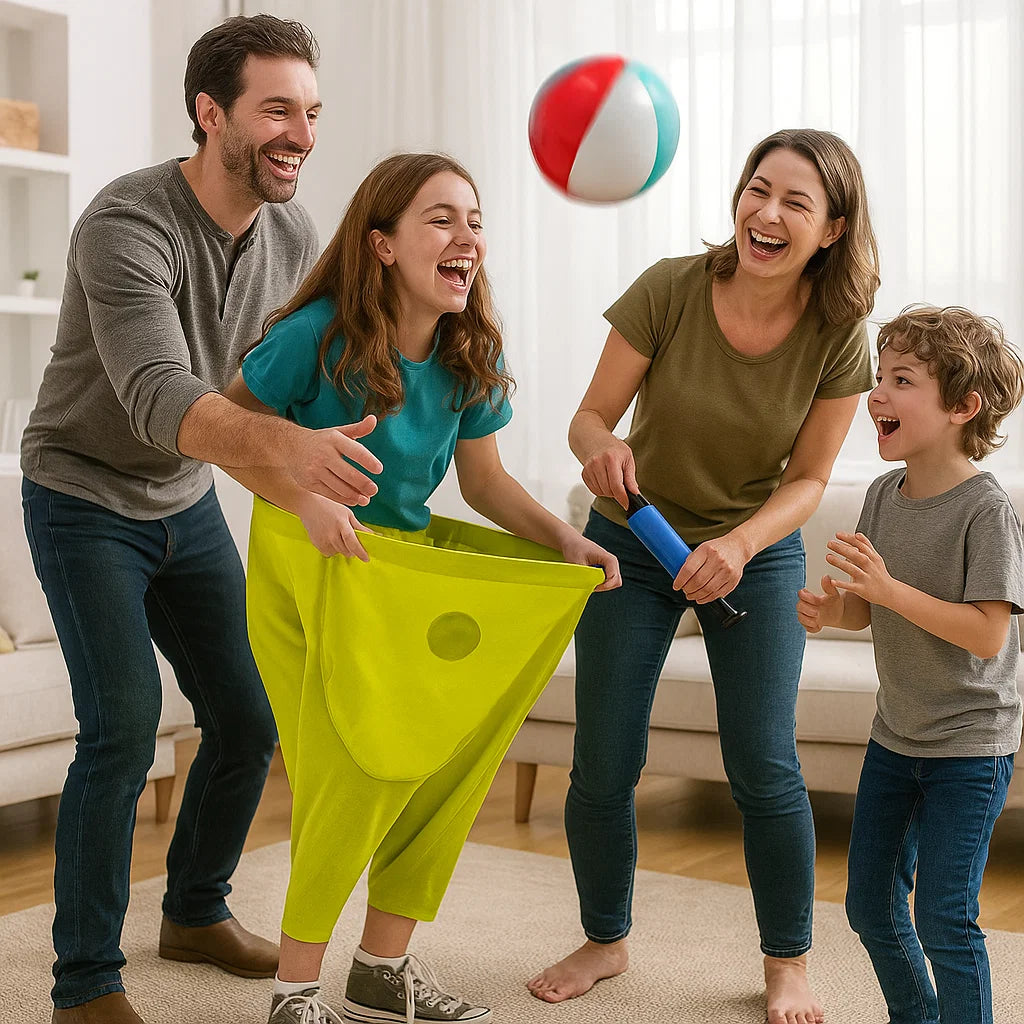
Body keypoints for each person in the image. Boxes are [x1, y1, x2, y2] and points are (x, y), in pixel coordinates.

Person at [19, 15, 382, 1024]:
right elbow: (156, 392)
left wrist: (305, 482)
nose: (300, 132)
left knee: (248, 715)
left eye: (310, 112)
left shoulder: (291, 237)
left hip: (185, 499)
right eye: (276, 109)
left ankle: (193, 909)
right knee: (124, 727)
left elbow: (265, 406)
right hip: (83, 495)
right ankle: (83, 982)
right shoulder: (124, 222)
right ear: (209, 112)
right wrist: (291, 460)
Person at [219, 151, 621, 1024]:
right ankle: (294, 991)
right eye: (442, 219)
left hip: (393, 574)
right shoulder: (315, 336)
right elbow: (226, 430)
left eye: (474, 221)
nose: (466, 237)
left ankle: (382, 971)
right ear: (383, 246)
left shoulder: (467, 348)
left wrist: (567, 542)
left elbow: (482, 483)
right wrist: (305, 496)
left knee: (439, 766)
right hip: (307, 568)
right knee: (351, 769)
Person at [526, 128, 881, 1024]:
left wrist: (740, 548)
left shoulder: (841, 334)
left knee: (763, 765)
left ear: (832, 228)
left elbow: (809, 481)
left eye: (795, 202)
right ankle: (605, 941)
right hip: (630, 544)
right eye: (757, 189)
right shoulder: (672, 288)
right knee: (603, 760)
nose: (765, 213)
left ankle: (787, 961)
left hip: (751, 557)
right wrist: (601, 447)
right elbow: (589, 417)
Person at [797, 305, 1024, 1024]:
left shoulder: (987, 511)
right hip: (895, 737)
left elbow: (987, 636)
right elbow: (869, 611)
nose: (877, 396)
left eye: (902, 380)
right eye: (879, 377)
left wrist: (889, 589)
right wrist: (836, 610)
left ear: (963, 406)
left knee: (945, 920)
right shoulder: (880, 495)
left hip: (970, 746)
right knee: (867, 905)